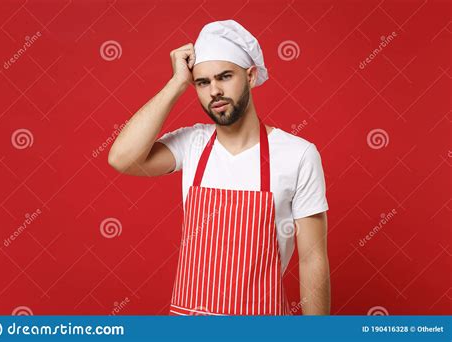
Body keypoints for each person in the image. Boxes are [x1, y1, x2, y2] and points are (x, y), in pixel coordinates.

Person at [108, 19, 330, 316]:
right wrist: (175, 84)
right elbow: (122, 159)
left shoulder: (298, 155)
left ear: (250, 76)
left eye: (225, 77)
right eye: (202, 82)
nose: (214, 91)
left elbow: (312, 259)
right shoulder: (192, 144)